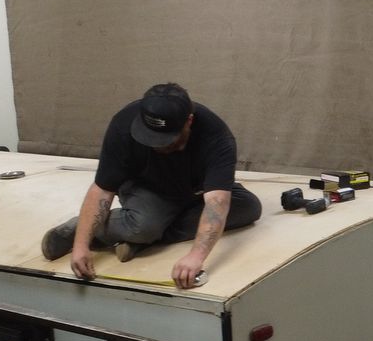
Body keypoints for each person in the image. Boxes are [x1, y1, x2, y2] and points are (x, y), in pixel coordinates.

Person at [39, 83, 261, 289]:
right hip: (148, 188)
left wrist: (196, 257)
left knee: (249, 208)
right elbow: (102, 190)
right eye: (151, 138)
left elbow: (217, 200)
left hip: (195, 190)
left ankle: (145, 240)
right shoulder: (122, 126)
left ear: (189, 121)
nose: (158, 146)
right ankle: (79, 229)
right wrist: (81, 245)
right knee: (143, 226)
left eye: (168, 140)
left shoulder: (216, 136)